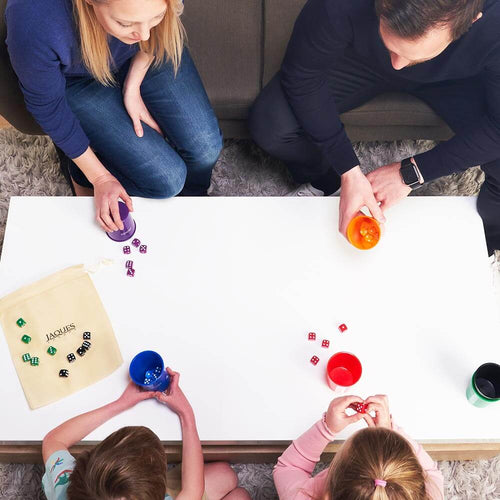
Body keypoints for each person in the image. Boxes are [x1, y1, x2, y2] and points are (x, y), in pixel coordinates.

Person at [249, 0, 500, 257]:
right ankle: (328, 183)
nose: (398, 65)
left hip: (458, 82)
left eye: (413, 54)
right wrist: (347, 169)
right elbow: (303, 76)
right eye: (392, 44)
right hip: (363, 62)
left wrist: (411, 173)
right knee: (271, 126)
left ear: (473, 20)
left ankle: (484, 246)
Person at [6, 0, 222, 232]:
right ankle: (81, 170)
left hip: (146, 56)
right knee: (167, 180)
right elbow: (47, 107)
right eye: (125, 23)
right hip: (77, 80)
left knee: (205, 149)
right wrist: (100, 178)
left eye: (156, 17)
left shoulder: (145, 32)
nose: (143, 33)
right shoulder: (33, 17)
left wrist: (133, 85)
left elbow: (154, 35)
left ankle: (191, 200)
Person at [42, 368, 250, 499]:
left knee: (225, 474)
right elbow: (192, 492)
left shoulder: (65, 486)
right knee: (239, 495)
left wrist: (120, 404)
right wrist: (187, 415)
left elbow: (54, 440)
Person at [274, 395, 444, 499]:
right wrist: (390, 432)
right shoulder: (432, 495)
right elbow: (431, 473)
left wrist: (327, 428)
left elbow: (289, 467)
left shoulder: (301, 495)